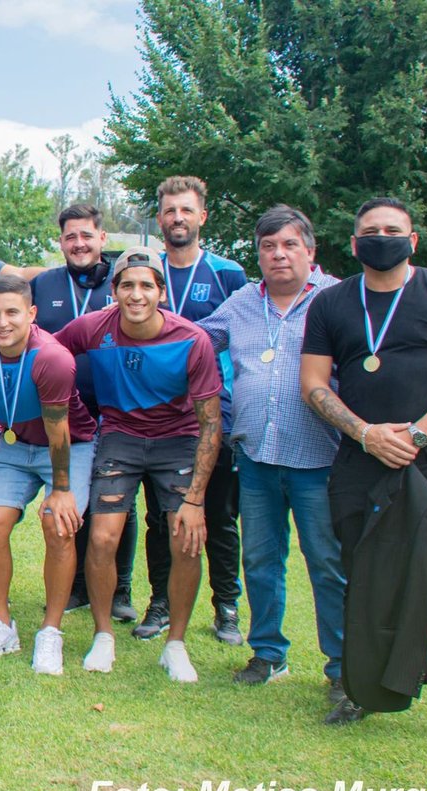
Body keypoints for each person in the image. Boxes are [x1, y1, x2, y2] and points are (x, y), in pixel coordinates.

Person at [301, 197, 427, 761]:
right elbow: (313, 383)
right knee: (363, 579)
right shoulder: (331, 303)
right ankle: (362, 689)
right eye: (370, 231)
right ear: (353, 243)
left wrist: (418, 434)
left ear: (412, 240)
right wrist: (365, 434)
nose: (380, 238)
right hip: (360, 461)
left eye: (392, 230)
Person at [51, 247, 223, 681]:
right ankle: (103, 635)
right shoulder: (93, 327)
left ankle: (176, 645)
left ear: (161, 292)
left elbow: (210, 422)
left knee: (185, 539)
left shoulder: (192, 340)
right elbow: (45, 350)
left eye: (147, 285)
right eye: (127, 285)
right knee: (102, 538)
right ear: (114, 291)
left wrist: (196, 499)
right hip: (120, 437)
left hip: (177, 440)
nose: (136, 294)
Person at [195, 206, 344, 696]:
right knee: (260, 560)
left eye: (289, 244)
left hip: (320, 461)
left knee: (327, 563)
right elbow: (197, 339)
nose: (279, 254)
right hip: (256, 457)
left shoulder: (336, 299)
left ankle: (343, 666)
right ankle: (268, 654)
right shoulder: (241, 302)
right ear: (258, 254)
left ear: (310, 251)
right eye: (268, 246)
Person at [0, 276, 98, 673]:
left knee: (58, 525)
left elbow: (59, 431)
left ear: (32, 314)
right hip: (15, 444)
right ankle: (3, 624)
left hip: (68, 447)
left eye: (12, 313)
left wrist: (62, 490)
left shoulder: (52, 358)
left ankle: (50, 631)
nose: (2, 322)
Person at [134, 176, 248, 645]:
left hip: (212, 414)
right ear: (159, 219)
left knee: (217, 515)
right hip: (158, 415)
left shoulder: (228, 274)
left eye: (185, 210)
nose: (177, 218)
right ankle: (160, 602)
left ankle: (226, 607)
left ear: (202, 216)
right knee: (160, 517)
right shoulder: (146, 270)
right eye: (169, 211)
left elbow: (242, 339)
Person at [27, 204, 135, 622]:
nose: (79, 243)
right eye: (70, 236)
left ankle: (120, 588)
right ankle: (75, 587)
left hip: (115, 409)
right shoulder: (45, 283)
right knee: (71, 499)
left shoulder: (122, 282)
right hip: (62, 411)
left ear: (102, 238)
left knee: (117, 501)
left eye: (86, 235)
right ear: (61, 242)